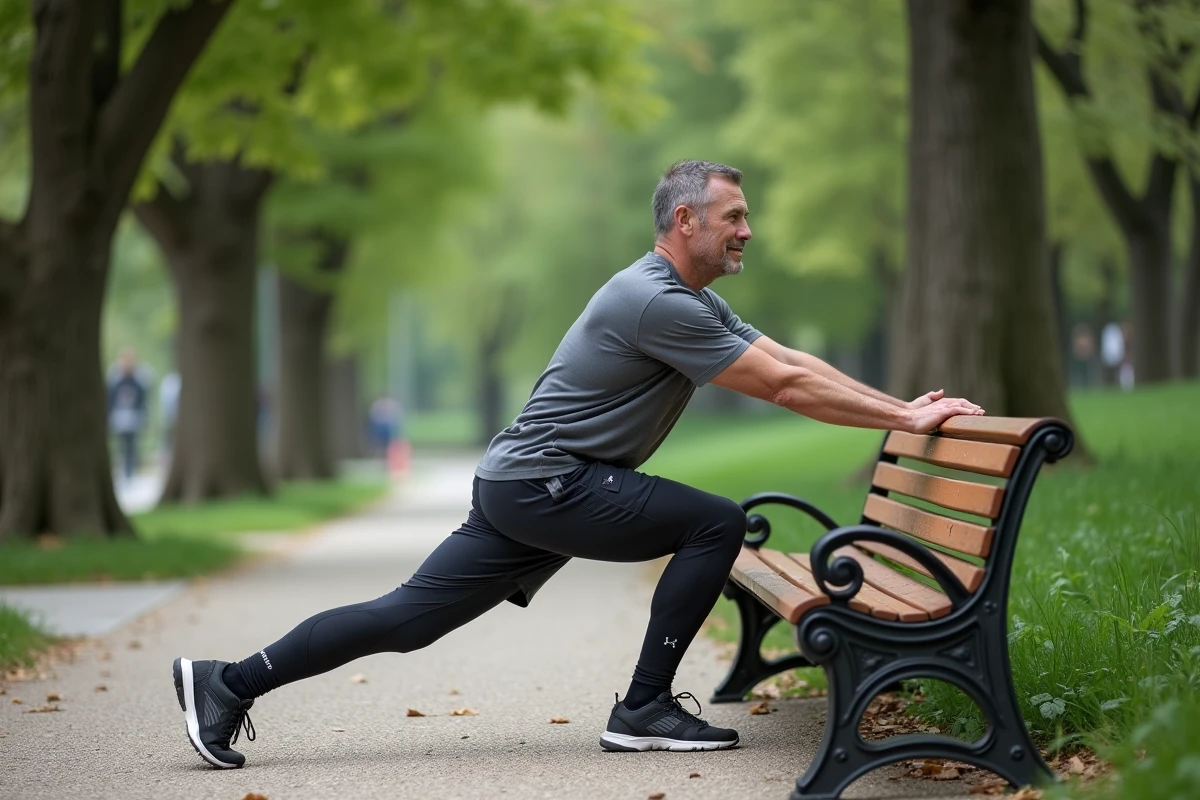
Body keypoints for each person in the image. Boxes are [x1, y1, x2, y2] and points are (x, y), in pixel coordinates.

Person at [171, 160, 984, 769]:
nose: (746, 230)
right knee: (715, 523)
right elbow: (780, 387)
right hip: (545, 482)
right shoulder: (658, 301)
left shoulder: (689, 296)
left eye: (747, 217)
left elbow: (790, 359)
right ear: (683, 221)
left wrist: (903, 407)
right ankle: (645, 708)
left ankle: (227, 682)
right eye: (733, 216)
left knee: (406, 620)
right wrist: (905, 417)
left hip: (523, 483)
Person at [107, 348, 152, 485]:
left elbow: (144, 402)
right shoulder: (115, 380)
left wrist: (145, 421)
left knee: (131, 446)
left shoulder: (139, 380)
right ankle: (124, 473)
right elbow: (109, 401)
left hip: (133, 419)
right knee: (122, 447)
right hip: (119, 418)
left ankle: (130, 474)